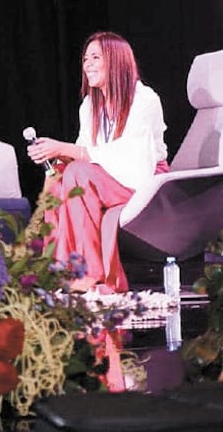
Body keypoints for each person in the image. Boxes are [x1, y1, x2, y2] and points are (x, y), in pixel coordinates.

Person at [27, 31, 168, 293]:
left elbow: (132, 155)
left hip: (144, 178)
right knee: (60, 177)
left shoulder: (144, 99)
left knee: (78, 172)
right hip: (103, 179)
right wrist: (55, 155)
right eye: (84, 58)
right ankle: (59, 268)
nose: (87, 64)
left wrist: (70, 151)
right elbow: (84, 150)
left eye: (95, 57)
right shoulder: (89, 105)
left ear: (115, 61)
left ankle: (91, 272)